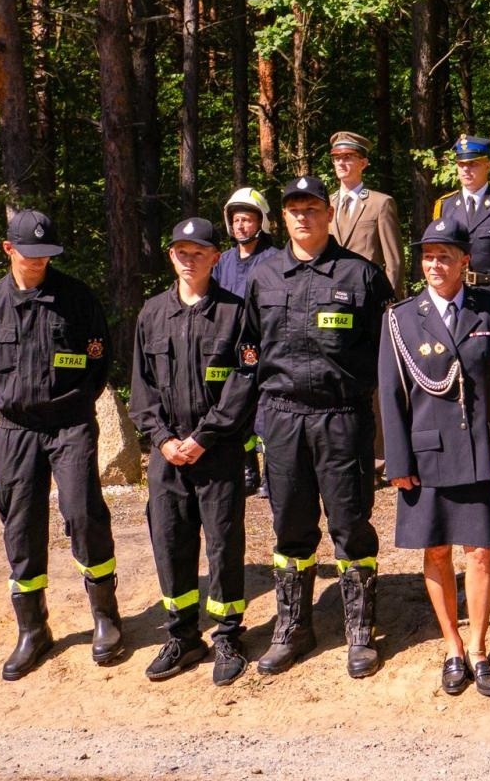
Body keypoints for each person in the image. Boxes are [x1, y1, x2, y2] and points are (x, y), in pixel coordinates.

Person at [242, 174, 395, 678]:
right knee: (290, 526)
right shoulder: (263, 277)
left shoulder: (361, 276)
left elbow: (386, 354)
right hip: (282, 418)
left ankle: (359, 631)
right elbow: (247, 350)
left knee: (350, 524)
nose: (303, 217)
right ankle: (293, 628)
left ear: (329, 214)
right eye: (294, 210)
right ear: (281, 218)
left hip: (341, 417)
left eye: (312, 208)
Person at [0, 209, 122, 681]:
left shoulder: (76, 299)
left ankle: (106, 617)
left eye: (46, 255)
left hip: (70, 424)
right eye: (29, 254)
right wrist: (19, 404)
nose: (38, 263)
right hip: (16, 430)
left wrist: (70, 404)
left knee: (82, 512)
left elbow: (99, 362)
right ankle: (33, 629)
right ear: (8, 249)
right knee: (20, 524)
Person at [378, 218, 490, 698]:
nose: (435, 264)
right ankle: (452, 647)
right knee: (436, 551)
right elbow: (391, 395)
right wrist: (397, 462)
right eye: (428, 256)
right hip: (426, 452)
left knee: (479, 551)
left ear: (465, 262)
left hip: (478, 451)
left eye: (445, 256)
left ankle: (479, 649)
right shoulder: (401, 318)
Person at [129, 217, 257, 685]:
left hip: (217, 451)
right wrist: (162, 439)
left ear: (215, 258)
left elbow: (244, 385)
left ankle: (227, 636)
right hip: (167, 456)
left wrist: (204, 437)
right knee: (170, 543)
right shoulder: (152, 313)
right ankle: (182, 635)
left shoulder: (235, 312)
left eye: (198, 253)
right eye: (181, 252)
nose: (189, 259)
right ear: (171, 256)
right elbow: (140, 388)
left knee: (223, 544)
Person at [213, 185, 280, 495]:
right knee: (237, 411)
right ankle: (248, 469)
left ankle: (271, 475)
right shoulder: (222, 261)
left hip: (267, 346)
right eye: (236, 220)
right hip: (231, 348)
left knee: (267, 413)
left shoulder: (276, 259)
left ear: (261, 221)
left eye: (247, 220)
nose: (241, 225)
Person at [432, 135, 490, 298]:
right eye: (461, 164)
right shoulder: (445, 206)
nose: (466, 169)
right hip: (456, 295)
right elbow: (436, 256)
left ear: (488, 165)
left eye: (473, 164)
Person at [328, 130, 404, 296]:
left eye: (348, 157)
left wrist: (390, 300)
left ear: (363, 163)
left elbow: (394, 261)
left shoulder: (380, 204)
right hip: (331, 294)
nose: (341, 163)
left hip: (368, 293)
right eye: (337, 158)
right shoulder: (326, 205)